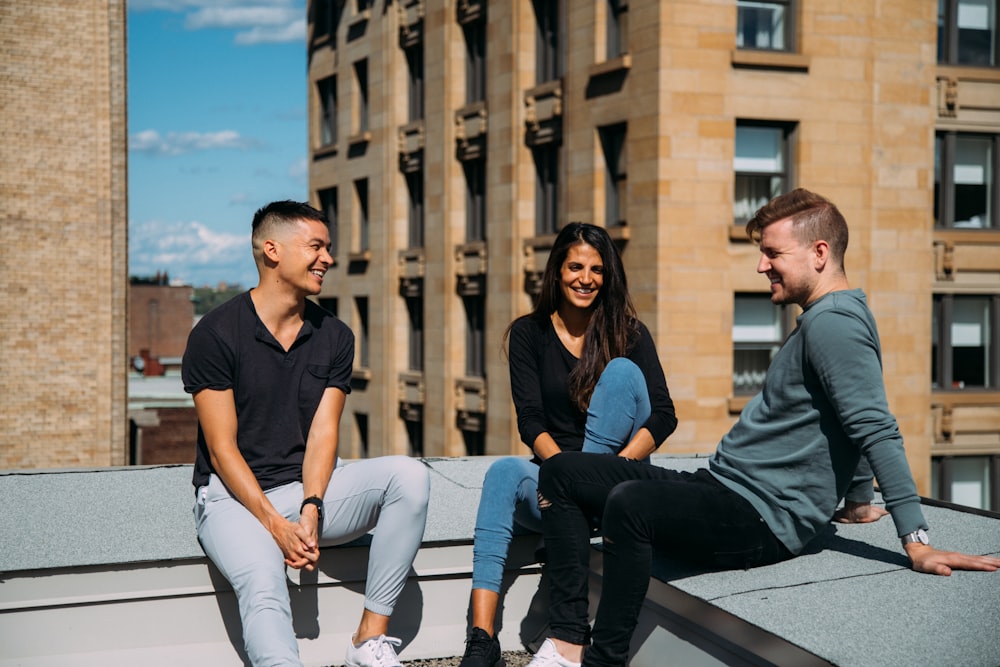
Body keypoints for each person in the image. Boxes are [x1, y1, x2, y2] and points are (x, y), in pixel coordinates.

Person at [529, 189, 1000, 667]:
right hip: (721, 491)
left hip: (757, 518)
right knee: (563, 472)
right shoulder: (828, 317)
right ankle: (568, 638)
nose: (761, 266)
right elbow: (846, 413)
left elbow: (874, 426)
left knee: (629, 505)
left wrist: (915, 542)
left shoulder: (834, 325)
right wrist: (858, 502)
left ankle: (600, 660)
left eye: (773, 253)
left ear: (820, 254)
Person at [182, 200, 430, 667]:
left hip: (304, 491)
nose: (328, 259)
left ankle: (368, 640)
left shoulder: (334, 336)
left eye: (328, 248)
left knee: (410, 477)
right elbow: (221, 448)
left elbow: (322, 435)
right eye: (316, 246)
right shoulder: (215, 334)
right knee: (263, 579)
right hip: (232, 499)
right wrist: (276, 525)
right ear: (272, 250)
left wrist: (312, 507)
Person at [459, 223, 678, 667]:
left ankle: (567, 636)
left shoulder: (630, 334)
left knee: (621, 375)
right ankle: (481, 639)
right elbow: (531, 421)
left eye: (597, 270)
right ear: (557, 271)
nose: (586, 278)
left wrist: (603, 472)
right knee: (502, 473)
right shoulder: (528, 334)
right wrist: (561, 478)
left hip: (617, 485)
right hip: (554, 484)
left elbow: (662, 415)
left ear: (608, 276)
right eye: (575, 266)